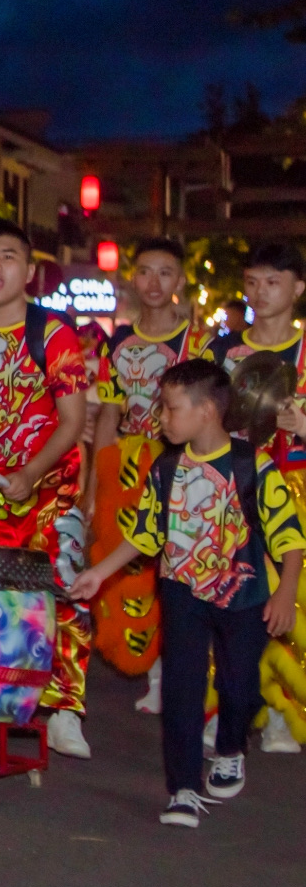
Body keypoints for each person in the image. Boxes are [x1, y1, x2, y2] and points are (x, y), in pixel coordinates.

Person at [69, 360, 304, 826]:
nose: (161, 420)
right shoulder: (166, 467)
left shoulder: (251, 467)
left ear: (208, 412)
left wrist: (285, 594)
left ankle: (231, 746)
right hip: (182, 593)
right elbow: (145, 534)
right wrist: (101, 572)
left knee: (238, 686)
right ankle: (183, 788)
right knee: (182, 689)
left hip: (245, 597)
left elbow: (290, 538)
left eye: (171, 410)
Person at [0, 221, 93, 759]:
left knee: (60, 591)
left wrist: (31, 475)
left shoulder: (53, 333)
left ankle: (65, 707)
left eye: (8, 257)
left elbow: (71, 419)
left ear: (29, 272)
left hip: (49, 488)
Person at [88, 237, 215, 712]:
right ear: (132, 277)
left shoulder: (197, 343)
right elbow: (107, 413)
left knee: (181, 571)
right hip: (127, 468)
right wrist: (96, 483)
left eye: (165, 272)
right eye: (145, 271)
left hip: (182, 467)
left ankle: (185, 675)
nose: (154, 282)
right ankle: (153, 669)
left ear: (179, 281)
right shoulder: (117, 343)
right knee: (137, 567)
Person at [210, 241, 306, 753]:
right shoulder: (223, 352)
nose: (260, 293)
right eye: (252, 282)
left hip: (297, 490)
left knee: (291, 606)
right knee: (225, 596)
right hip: (233, 489)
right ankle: (224, 706)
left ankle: (283, 713)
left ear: (298, 288)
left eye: (273, 281)